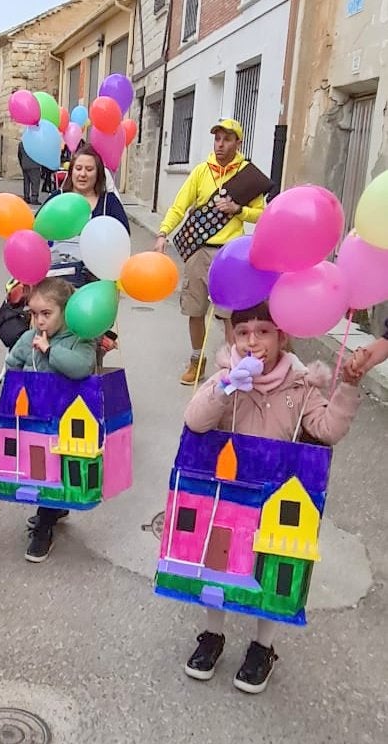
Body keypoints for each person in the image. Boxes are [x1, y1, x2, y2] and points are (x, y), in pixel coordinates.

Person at [182, 301, 361, 694]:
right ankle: (213, 634)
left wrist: (346, 387)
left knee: (274, 569)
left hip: (278, 493)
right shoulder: (225, 375)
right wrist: (227, 385)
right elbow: (195, 420)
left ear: (282, 337)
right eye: (243, 333)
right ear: (232, 337)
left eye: (263, 331)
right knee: (219, 562)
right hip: (231, 491)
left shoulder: (302, 384)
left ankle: (263, 646)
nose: (252, 341)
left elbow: (327, 429)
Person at [153, 119, 270, 385]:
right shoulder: (201, 172)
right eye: (217, 139)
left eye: (227, 139)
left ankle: (233, 364)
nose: (220, 144)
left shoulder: (249, 176)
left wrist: (238, 210)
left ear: (238, 143)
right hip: (198, 250)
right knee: (195, 309)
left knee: (228, 315)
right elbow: (179, 206)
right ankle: (197, 360)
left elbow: (262, 215)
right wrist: (162, 233)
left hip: (231, 255)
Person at [4, 277, 97, 562]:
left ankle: (44, 526)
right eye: (33, 313)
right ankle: (52, 510)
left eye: (47, 313)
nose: (39, 321)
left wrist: (50, 351)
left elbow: (81, 367)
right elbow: (12, 363)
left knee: (56, 468)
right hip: (36, 415)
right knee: (41, 468)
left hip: (65, 418)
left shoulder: (80, 338)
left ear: (65, 312)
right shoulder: (28, 336)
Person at [59, 145, 130, 233]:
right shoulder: (57, 197)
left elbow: (124, 235)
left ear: (98, 173)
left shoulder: (109, 202)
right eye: (78, 168)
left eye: (89, 169)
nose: (83, 174)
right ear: (71, 171)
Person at [18, 140, 42, 205]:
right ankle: (34, 198)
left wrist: (22, 164)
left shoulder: (21, 143)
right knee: (35, 182)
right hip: (34, 165)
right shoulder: (37, 143)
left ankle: (26, 197)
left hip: (25, 165)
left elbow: (19, 155)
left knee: (26, 182)